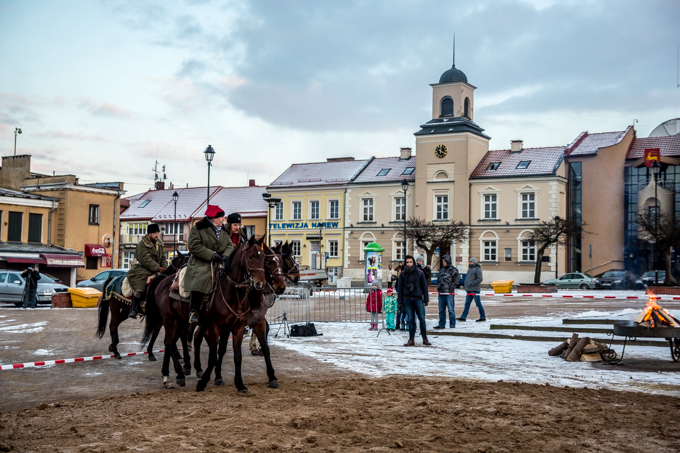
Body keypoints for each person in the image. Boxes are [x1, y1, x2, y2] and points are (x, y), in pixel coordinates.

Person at [185, 205, 234, 324]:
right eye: (222, 217)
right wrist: (211, 254)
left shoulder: (223, 230)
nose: (223, 219)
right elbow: (193, 246)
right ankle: (194, 311)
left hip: (220, 262)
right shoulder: (198, 229)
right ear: (214, 219)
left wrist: (226, 255)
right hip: (201, 262)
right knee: (201, 277)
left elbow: (229, 245)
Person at [127, 224, 168, 319]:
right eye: (154, 233)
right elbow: (145, 260)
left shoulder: (159, 244)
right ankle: (134, 308)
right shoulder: (142, 244)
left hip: (156, 269)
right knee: (140, 286)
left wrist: (165, 268)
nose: (157, 235)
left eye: (157, 233)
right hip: (142, 269)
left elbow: (162, 257)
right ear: (150, 234)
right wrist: (158, 268)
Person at [397, 255, 431, 346]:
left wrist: (426, 299)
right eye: (407, 262)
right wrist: (400, 301)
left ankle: (425, 338)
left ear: (413, 263)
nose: (409, 264)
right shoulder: (403, 274)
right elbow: (399, 288)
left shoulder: (420, 272)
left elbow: (425, 287)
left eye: (410, 262)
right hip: (407, 300)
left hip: (418, 299)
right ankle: (411, 339)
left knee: (422, 319)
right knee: (411, 320)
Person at [434, 254, 459, 329]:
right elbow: (438, 280)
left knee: (451, 310)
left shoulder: (454, 270)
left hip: (449, 293)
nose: (443, 263)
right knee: (441, 310)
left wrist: (451, 288)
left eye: (445, 261)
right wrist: (438, 287)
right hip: (441, 293)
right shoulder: (441, 270)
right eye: (442, 261)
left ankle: (452, 324)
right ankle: (441, 324)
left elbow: (456, 281)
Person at [457, 257, 486, 322]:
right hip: (469, 289)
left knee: (478, 303)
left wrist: (472, 283)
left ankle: (483, 316)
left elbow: (480, 279)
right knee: (467, 304)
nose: (470, 263)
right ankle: (463, 317)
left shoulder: (477, 269)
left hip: (475, 289)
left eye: (471, 262)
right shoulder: (470, 269)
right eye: (469, 262)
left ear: (474, 262)